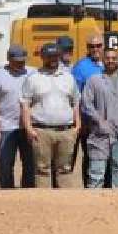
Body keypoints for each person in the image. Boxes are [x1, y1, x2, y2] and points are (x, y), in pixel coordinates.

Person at [21, 43, 80, 188]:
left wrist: (77, 125)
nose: (53, 59)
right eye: (49, 56)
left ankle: (65, 203)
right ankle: (44, 205)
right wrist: (28, 128)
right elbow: (25, 105)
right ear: (42, 57)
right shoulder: (33, 78)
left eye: (55, 56)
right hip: (41, 131)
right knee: (42, 170)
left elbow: (76, 102)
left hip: (66, 131)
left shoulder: (68, 77)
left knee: (65, 169)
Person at [80, 49, 118, 188]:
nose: (111, 61)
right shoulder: (94, 80)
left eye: (114, 58)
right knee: (96, 172)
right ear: (103, 60)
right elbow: (86, 104)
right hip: (100, 133)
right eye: (108, 58)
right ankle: (94, 204)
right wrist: (99, 120)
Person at [0, 45, 35, 188]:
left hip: (28, 127)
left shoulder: (33, 73)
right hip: (6, 127)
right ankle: (7, 194)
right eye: (17, 61)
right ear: (8, 59)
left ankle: (28, 192)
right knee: (6, 165)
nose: (20, 64)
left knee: (30, 164)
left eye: (23, 61)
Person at [71, 35, 104, 185]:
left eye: (98, 45)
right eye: (92, 46)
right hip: (89, 121)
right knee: (91, 155)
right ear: (87, 48)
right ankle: (89, 187)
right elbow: (75, 97)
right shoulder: (81, 67)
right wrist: (80, 121)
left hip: (109, 120)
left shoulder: (110, 63)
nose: (95, 49)